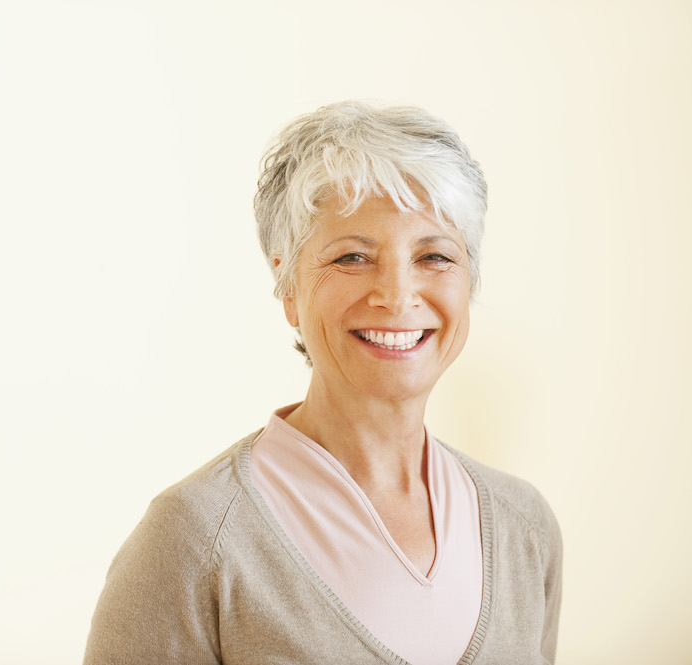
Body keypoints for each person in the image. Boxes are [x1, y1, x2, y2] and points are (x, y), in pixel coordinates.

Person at [83, 101, 562, 665]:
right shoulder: (193, 540)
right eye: (353, 256)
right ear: (288, 287)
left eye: (434, 255)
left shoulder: (523, 527)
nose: (397, 295)